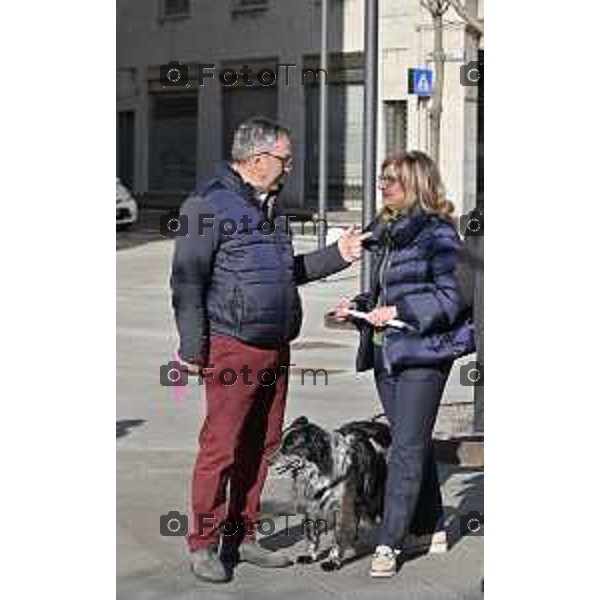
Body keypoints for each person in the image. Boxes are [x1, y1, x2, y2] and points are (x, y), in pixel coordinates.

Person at [170, 117, 369, 583]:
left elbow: (285, 273)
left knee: (263, 446)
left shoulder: (274, 208)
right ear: (258, 160)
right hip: (231, 346)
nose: (290, 165)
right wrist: (192, 348)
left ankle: (243, 536)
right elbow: (187, 281)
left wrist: (337, 254)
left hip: (276, 346)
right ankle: (203, 542)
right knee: (221, 448)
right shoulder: (207, 205)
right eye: (285, 157)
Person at [333, 151, 474, 578]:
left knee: (407, 448)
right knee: (411, 442)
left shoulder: (437, 235)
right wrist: (358, 307)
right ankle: (428, 527)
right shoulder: (386, 231)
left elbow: (454, 299)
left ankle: (389, 543)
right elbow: (380, 293)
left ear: (414, 184)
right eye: (381, 179)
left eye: (391, 180)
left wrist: (400, 308)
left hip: (422, 353)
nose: (382, 186)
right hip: (385, 350)